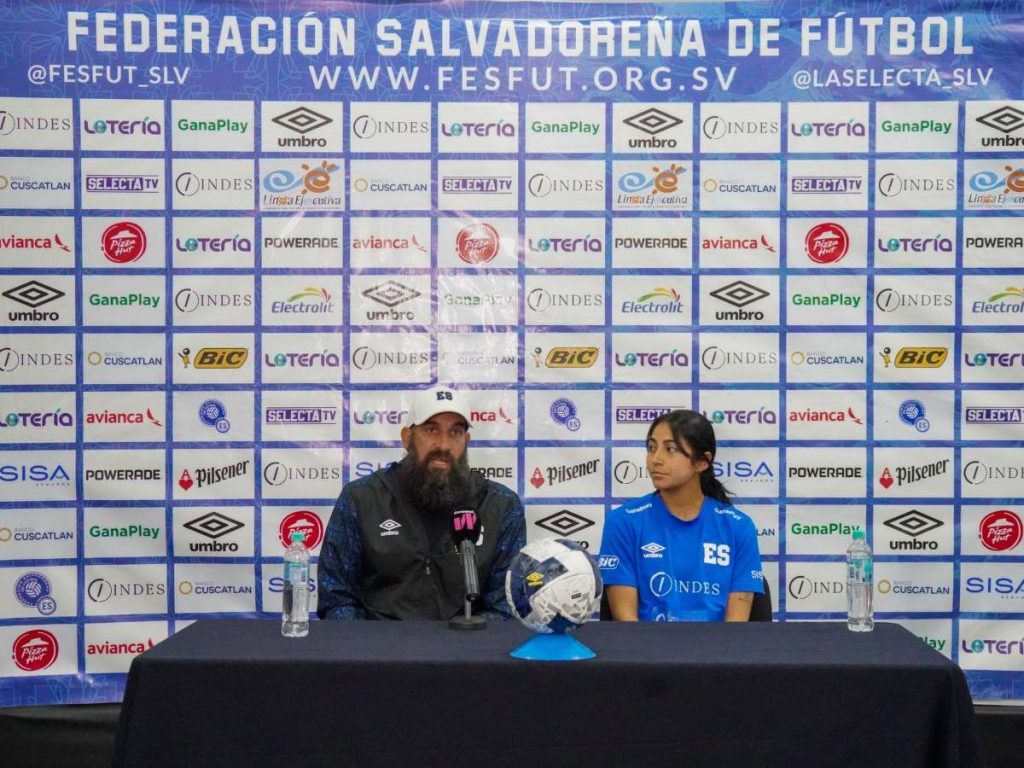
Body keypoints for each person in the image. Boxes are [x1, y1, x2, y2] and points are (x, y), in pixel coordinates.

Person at [317, 386, 526, 620]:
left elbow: (504, 605)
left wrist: (465, 644)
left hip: (467, 649)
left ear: (466, 441)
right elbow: (335, 596)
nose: (443, 445)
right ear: (407, 437)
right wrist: (370, 647)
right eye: (431, 430)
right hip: (378, 649)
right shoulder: (361, 498)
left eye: (455, 432)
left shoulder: (500, 505)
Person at [599, 409, 764, 622]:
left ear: (702, 462)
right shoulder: (622, 522)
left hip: (719, 653)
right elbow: (626, 624)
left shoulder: (739, 527)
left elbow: (736, 628)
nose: (655, 460)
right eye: (651, 448)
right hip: (645, 652)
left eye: (670, 449)